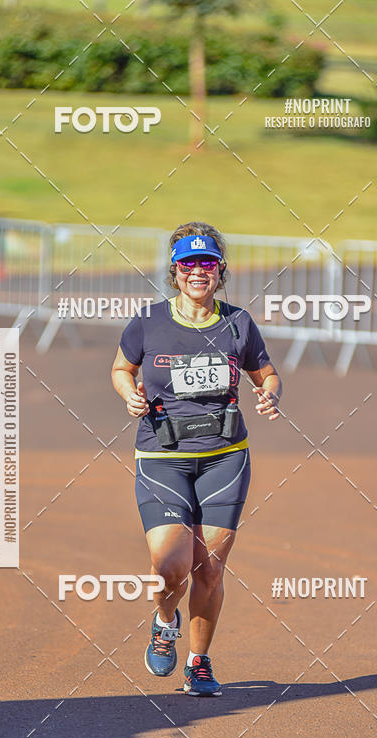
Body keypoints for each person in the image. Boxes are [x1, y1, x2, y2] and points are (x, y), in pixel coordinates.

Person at [111, 222, 282, 696]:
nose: (197, 272)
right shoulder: (148, 322)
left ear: (220, 270)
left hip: (225, 458)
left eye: (207, 263)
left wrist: (269, 394)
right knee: (170, 565)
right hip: (162, 456)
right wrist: (129, 394)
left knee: (209, 567)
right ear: (175, 271)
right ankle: (166, 620)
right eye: (188, 264)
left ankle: (199, 662)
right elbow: (122, 367)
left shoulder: (238, 323)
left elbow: (266, 374)